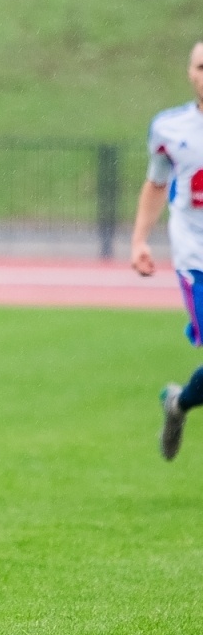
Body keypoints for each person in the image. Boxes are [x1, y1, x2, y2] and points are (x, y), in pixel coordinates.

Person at [131, 40, 203, 460]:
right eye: (200, 66)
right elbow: (157, 183)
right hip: (197, 260)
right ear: (190, 73)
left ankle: (179, 403)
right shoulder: (169, 128)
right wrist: (140, 240)